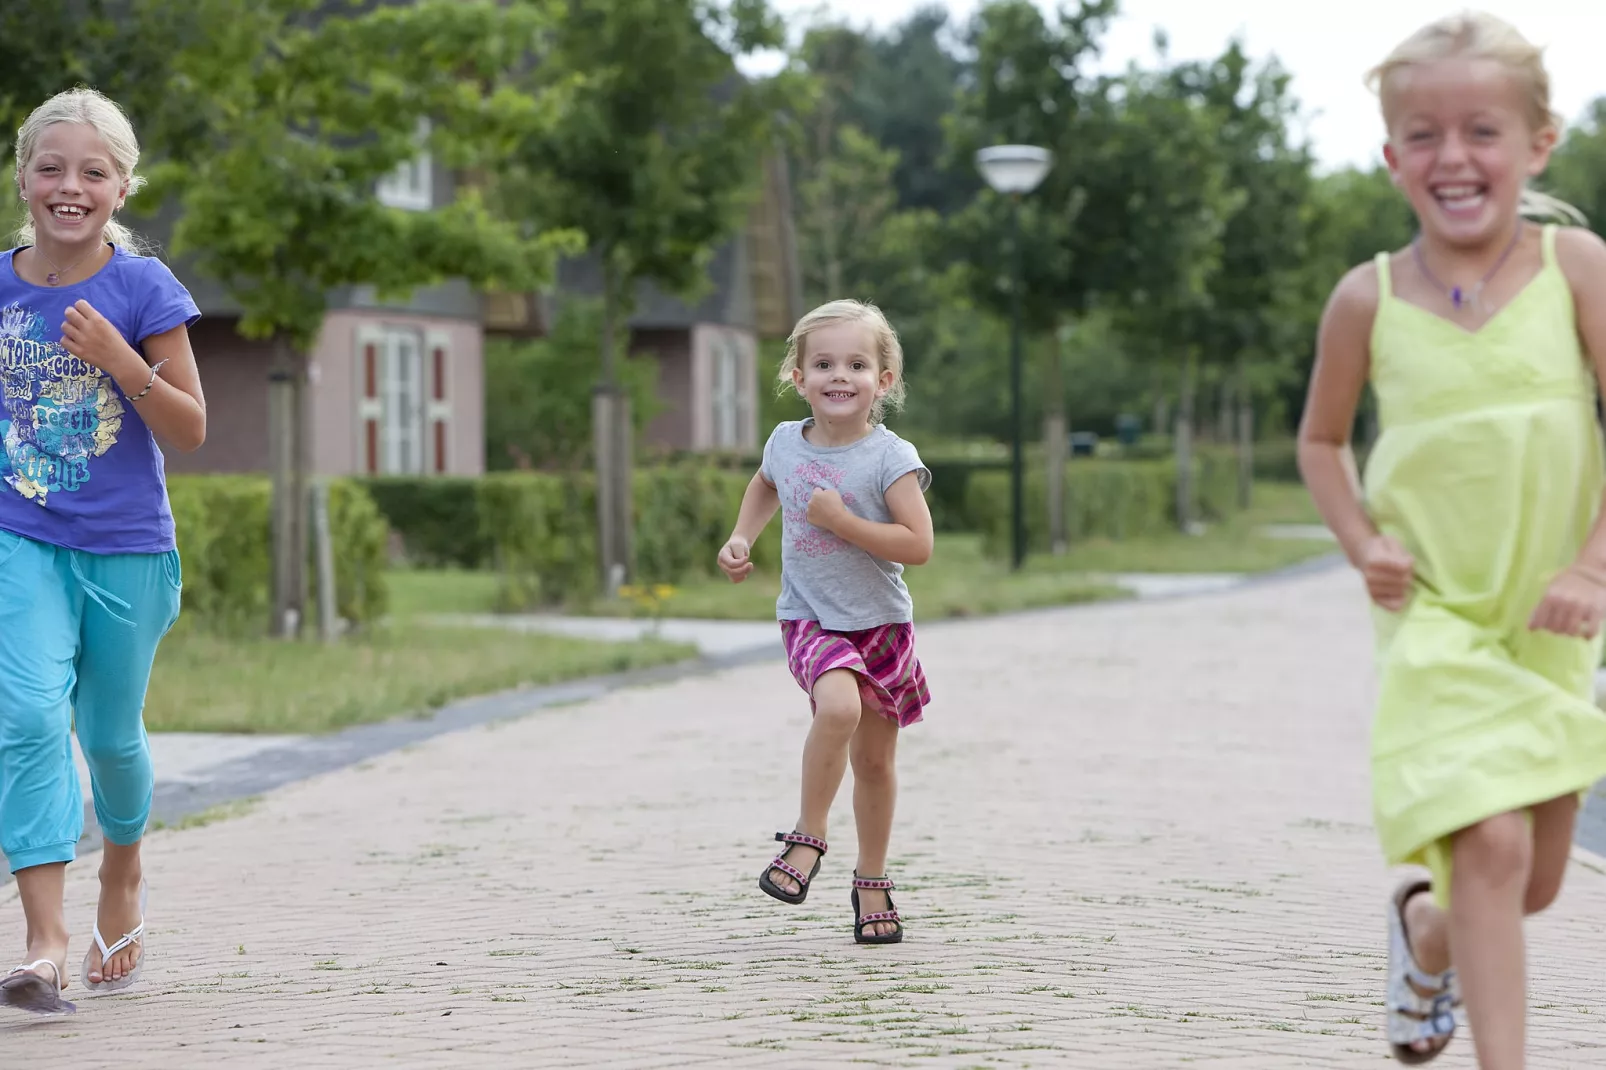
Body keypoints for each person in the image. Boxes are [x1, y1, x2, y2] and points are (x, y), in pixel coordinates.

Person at [1297, 12, 1606, 1066]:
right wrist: (1356, 539)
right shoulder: (1365, 299)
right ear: (1391, 159)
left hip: (1549, 620)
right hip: (1429, 615)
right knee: (1491, 838)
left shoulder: (1577, 267)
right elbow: (1321, 440)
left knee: (1531, 880)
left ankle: (1425, 935)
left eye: (1481, 130)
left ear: (1535, 145)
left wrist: (1591, 565)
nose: (1453, 157)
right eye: (1423, 136)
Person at [0, 88, 205, 1015]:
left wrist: (125, 363)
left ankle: (121, 868)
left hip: (125, 547)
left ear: (122, 188)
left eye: (93, 171)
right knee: (31, 717)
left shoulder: (143, 288)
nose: (69, 186)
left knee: (111, 737)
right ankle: (41, 941)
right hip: (21, 537)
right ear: (22, 178)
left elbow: (193, 429)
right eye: (51, 167)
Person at [718, 299, 933, 944]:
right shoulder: (785, 443)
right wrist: (740, 538)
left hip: (881, 627)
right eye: (823, 364)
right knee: (836, 709)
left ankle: (872, 883)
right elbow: (764, 484)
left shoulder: (888, 459)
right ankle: (807, 838)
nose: (839, 376)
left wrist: (842, 523)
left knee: (874, 763)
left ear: (883, 381)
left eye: (857, 364)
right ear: (798, 375)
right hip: (810, 618)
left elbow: (917, 545)